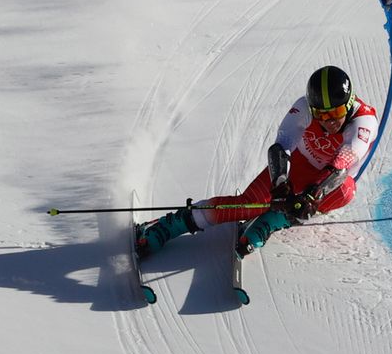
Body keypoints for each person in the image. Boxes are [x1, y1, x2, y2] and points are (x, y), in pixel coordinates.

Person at [137, 65, 379, 259]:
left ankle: (273, 220)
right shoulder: (304, 107)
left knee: (346, 191)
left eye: (335, 114)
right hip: (299, 165)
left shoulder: (364, 122)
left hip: (329, 179)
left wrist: (311, 195)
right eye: (321, 115)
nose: (328, 121)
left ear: (348, 105)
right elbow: (281, 146)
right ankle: (175, 223)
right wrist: (280, 182)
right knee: (249, 204)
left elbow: (341, 164)